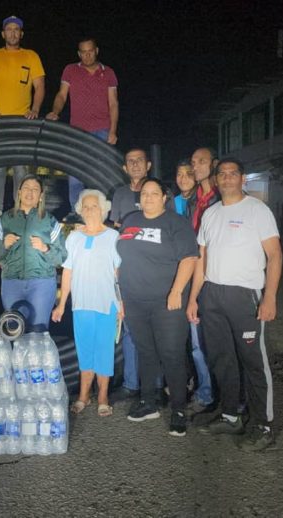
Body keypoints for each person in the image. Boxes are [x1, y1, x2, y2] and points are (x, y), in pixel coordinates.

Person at [187, 158, 283, 451]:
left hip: (245, 296)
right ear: (216, 181)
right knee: (222, 358)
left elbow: (275, 255)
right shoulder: (211, 214)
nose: (227, 178)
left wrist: (269, 296)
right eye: (222, 174)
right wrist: (193, 297)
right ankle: (230, 415)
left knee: (254, 362)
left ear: (243, 179)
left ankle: (262, 425)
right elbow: (202, 259)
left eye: (233, 174)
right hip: (213, 294)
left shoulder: (257, 210)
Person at [117, 179, 199, 437]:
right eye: (145, 193)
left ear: (165, 197)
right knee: (145, 352)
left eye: (155, 193)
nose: (149, 197)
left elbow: (190, 258)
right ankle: (148, 402)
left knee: (172, 354)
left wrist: (176, 291)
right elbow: (120, 257)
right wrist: (120, 294)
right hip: (134, 300)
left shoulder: (176, 223)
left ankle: (178, 410)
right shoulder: (130, 219)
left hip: (166, 302)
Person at [52, 190, 123, 417]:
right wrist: (62, 303)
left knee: (104, 350)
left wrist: (121, 304)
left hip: (106, 303)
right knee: (84, 350)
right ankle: (84, 395)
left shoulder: (113, 237)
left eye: (95, 206)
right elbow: (68, 272)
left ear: (103, 210)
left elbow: (118, 273)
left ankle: (102, 396)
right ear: (80, 210)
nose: (90, 210)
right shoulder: (74, 237)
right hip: (81, 303)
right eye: (86, 206)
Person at [46, 38, 120, 218]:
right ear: (79, 54)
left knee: (100, 174)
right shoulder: (71, 70)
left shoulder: (108, 72)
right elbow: (62, 95)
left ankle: (101, 214)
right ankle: (76, 212)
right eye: (83, 52)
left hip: (102, 129)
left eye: (90, 51)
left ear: (96, 51)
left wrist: (113, 130)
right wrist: (55, 111)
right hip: (77, 131)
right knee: (75, 174)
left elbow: (113, 103)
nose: (87, 55)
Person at [0, 15, 46, 221]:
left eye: (16, 30)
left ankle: (21, 209)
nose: (12, 33)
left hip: (22, 121)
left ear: (21, 34)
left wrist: (34, 110)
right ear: (3, 34)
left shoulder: (31, 56)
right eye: (9, 29)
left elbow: (40, 86)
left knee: (20, 167)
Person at [0, 175, 66, 333]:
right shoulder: (5, 220)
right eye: (26, 188)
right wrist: (4, 245)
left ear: (41, 196)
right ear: (18, 192)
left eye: (35, 189)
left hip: (41, 284)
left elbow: (61, 257)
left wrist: (46, 248)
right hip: (12, 284)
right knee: (13, 331)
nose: (30, 192)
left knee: (38, 333)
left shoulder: (50, 221)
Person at [107, 147, 152, 404]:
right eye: (130, 161)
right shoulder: (120, 195)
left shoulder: (158, 193)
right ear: (125, 167)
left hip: (153, 271)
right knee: (129, 330)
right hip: (127, 271)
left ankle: (155, 386)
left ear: (148, 165)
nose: (135, 165)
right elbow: (115, 231)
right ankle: (131, 384)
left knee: (155, 331)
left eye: (140, 161)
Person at [171, 160, 214, 415]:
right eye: (180, 173)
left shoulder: (207, 202)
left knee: (201, 342)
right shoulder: (175, 203)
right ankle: (191, 383)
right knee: (181, 339)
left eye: (189, 173)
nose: (184, 178)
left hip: (203, 274)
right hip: (180, 274)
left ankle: (208, 392)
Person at [190, 147, 220, 232]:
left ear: (215, 163)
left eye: (202, 162)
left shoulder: (222, 197)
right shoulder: (192, 199)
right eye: (193, 163)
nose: (195, 168)